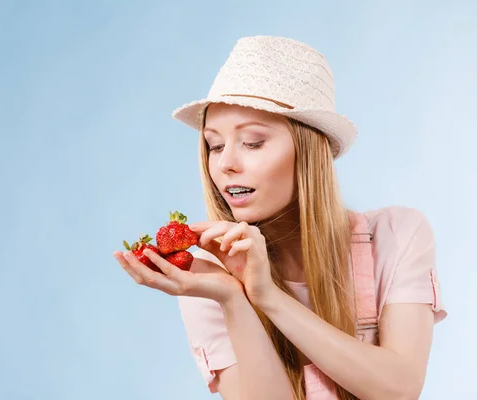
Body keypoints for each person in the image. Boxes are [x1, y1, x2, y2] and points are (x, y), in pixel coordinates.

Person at [113, 36, 447, 400]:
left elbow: (398, 389)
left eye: (253, 143)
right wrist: (233, 298)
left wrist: (268, 297)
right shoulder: (206, 277)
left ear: (309, 152)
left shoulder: (396, 234)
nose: (225, 164)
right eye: (215, 145)